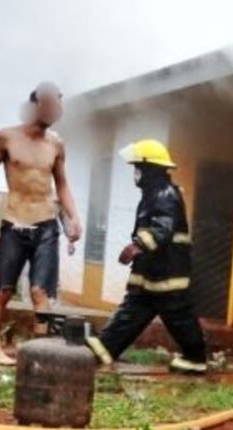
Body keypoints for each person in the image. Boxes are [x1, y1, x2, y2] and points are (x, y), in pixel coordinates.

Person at [0, 82, 82, 364]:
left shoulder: (56, 144)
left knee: (40, 292)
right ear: (34, 105)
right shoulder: (6, 138)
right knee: (4, 291)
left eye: (57, 104)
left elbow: (62, 185)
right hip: (14, 224)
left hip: (46, 225)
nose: (54, 109)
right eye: (48, 103)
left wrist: (74, 217)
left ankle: (40, 355)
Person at [85, 139, 207, 374]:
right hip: (152, 270)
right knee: (133, 309)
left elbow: (163, 227)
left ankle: (195, 358)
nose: (135, 174)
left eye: (137, 168)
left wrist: (137, 246)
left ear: (149, 169)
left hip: (168, 272)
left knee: (178, 316)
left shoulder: (165, 194)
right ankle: (106, 347)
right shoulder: (154, 194)